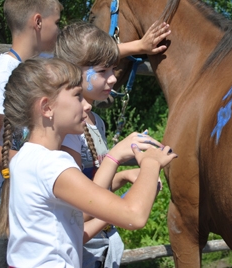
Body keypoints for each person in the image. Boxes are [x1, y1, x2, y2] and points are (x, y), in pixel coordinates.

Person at [0, 57, 177, 267]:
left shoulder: (25, 158)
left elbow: (72, 234)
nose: (86, 105)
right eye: (77, 96)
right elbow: (135, 216)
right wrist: (151, 163)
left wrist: (117, 208)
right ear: (46, 107)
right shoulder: (52, 165)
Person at [54, 21, 170, 267]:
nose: (112, 79)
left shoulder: (96, 122)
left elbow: (94, 183)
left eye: (113, 69)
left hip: (101, 244)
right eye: (103, 71)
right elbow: (78, 208)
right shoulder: (68, 132)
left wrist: (124, 176)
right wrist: (116, 156)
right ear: (74, 72)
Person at [0, 1, 63, 266]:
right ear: (38, 22)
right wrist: (36, 161)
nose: (59, 31)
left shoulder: (34, 69)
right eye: (57, 23)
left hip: (21, 201)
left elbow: (84, 56)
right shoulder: (1, 76)